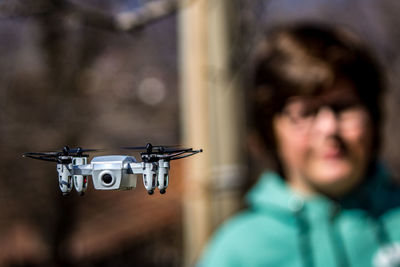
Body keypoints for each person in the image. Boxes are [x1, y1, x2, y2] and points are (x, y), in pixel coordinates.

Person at [198, 23, 400, 267]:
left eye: (343, 107)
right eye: (306, 113)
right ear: (271, 130)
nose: (329, 128)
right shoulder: (238, 252)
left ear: (373, 116)